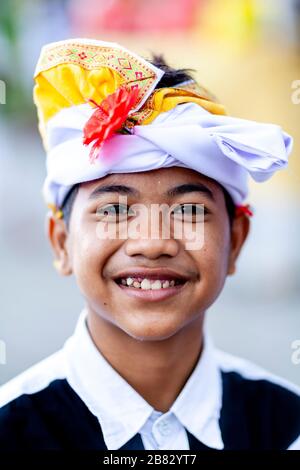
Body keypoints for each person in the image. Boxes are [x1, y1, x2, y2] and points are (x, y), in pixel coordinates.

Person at [0, 38, 299, 451]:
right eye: (114, 210)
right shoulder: (10, 431)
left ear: (236, 241)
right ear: (62, 241)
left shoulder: (288, 429)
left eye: (190, 211)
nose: (153, 242)